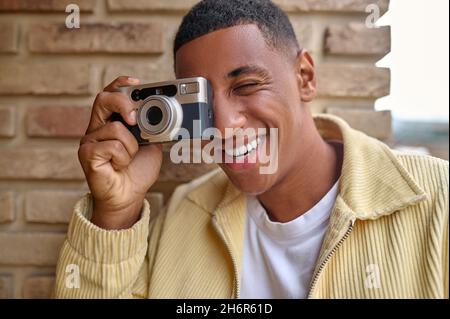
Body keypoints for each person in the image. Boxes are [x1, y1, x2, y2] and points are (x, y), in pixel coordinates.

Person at [54, 0, 448, 299]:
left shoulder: (437, 200)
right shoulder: (185, 213)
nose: (224, 125)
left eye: (245, 87)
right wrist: (115, 213)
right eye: (201, 103)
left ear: (305, 78)